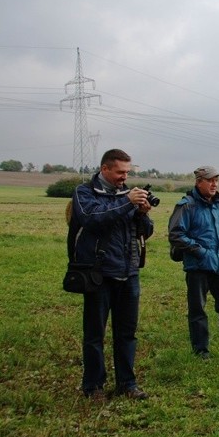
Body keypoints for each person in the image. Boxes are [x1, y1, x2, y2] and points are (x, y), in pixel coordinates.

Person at [68, 148, 154, 400]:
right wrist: (127, 202)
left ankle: (127, 384)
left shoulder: (125, 194)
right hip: (99, 273)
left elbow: (144, 232)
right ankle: (93, 386)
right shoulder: (85, 193)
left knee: (127, 333)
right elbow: (92, 218)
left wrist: (142, 213)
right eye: (119, 172)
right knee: (95, 333)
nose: (124, 177)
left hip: (128, 272)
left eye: (127, 172)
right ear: (105, 169)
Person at [168, 166, 219, 359]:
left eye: (216, 181)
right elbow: (176, 235)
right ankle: (201, 352)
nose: (214, 184)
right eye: (210, 180)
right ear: (198, 182)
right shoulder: (187, 205)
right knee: (198, 311)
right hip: (198, 267)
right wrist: (200, 252)